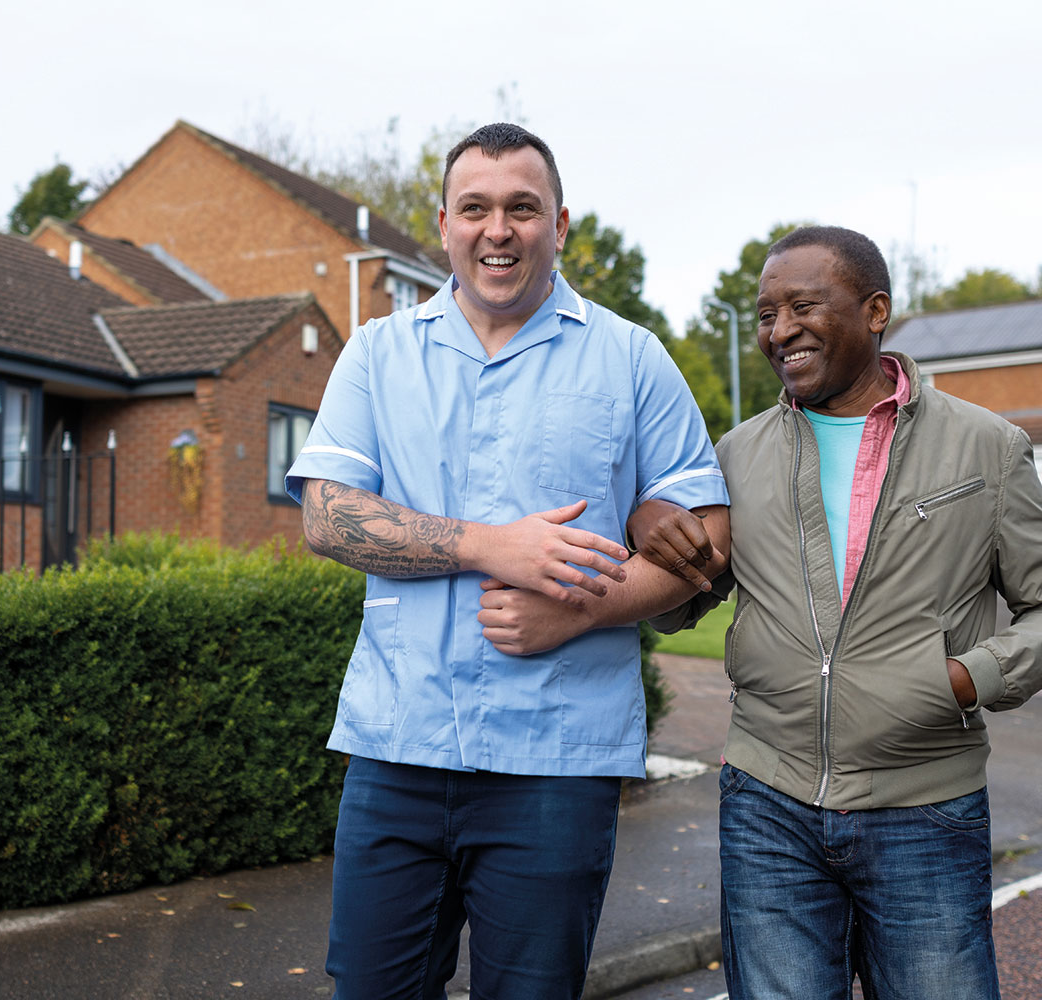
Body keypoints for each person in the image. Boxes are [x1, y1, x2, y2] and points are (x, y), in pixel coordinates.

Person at [284, 122, 731, 1000]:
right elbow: (327, 517)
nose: (499, 230)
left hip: (556, 768)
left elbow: (707, 542)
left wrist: (585, 607)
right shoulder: (378, 354)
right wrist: (492, 546)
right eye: (476, 209)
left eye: (523, 209)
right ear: (443, 224)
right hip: (398, 750)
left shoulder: (631, 358)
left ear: (560, 224)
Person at [630, 225, 1042, 999]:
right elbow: (683, 606)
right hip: (766, 806)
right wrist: (649, 527)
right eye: (764, 314)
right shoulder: (734, 455)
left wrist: (957, 680)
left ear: (874, 309)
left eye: (802, 306)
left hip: (926, 808)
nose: (779, 331)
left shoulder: (986, 447)